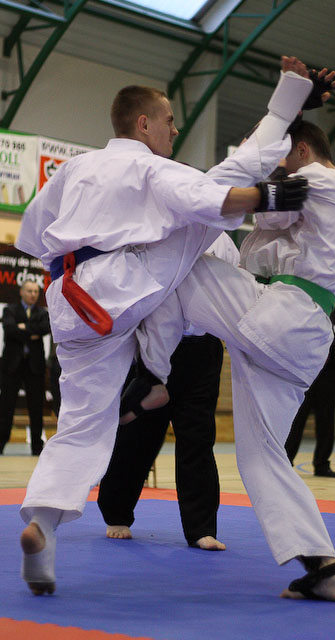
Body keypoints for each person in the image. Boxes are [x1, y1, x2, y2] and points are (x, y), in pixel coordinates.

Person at [14, 56, 314, 596]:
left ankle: (43, 524)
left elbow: (33, 236)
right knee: (203, 214)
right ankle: (153, 373)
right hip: (119, 286)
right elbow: (215, 195)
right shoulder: (150, 169)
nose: (174, 130)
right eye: (170, 120)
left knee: (82, 424)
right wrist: (266, 197)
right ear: (143, 124)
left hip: (69, 300)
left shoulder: (74, 169)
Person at [137, 112, 335, 601]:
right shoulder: (333, 195)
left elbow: (267, 207)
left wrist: (258, 149)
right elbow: (266, 227)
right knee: (261, 458)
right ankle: (323, 568)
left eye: (282, 157)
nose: (279, 168)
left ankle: (151, 376)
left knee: (183, 265)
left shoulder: (321, 182)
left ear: (300, 150)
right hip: (293, 338)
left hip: (281, 316)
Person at [98, 233, 239, 550]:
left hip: (203, 348)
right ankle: (117, 512)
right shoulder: (159, 231)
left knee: (198, 437)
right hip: (156, 346)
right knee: (139, 434)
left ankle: (201, 527)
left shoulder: (223, 242)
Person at [285, 307, 335, 477]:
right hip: (306, 372)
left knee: (326, 420)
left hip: (329, 375)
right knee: (297, 418)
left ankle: (322, 464)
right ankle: (285, 460)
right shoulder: (307, 307)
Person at [0, 280, 50, 455]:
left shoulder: (42, 313)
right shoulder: (10, 310)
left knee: (36, 407)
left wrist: (23, 328)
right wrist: (32, 332)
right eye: (29, 291)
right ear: (21, 292)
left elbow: (45, 328)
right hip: (12, 366)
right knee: (6, 406)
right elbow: (9, 329)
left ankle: (37, 447)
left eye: (36, 291)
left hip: (34, 367)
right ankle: (1, 443)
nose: (33, 294)